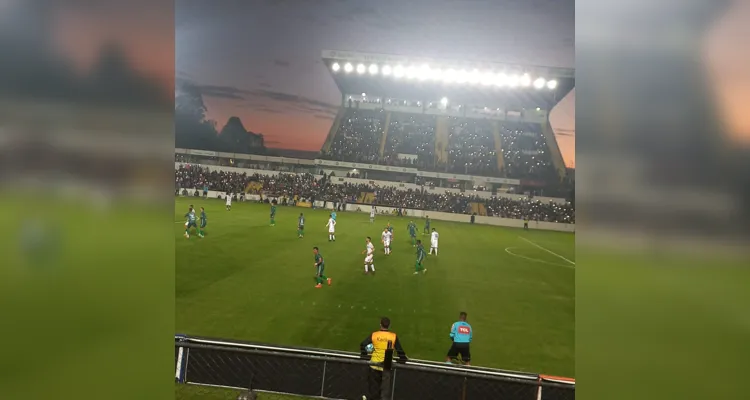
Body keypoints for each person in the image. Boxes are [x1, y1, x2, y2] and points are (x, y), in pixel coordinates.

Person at [360, 317, 407, 400]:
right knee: (385, 392)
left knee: (373, 391)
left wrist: (364, 355)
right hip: (386, 365)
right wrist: (402, 359)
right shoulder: (393, 336)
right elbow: (400, 352)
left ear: (380, 324)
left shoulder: (375, 335)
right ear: (389, 325)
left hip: (374, 365)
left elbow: (363, 345)